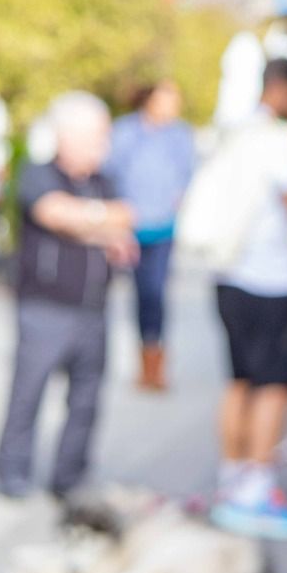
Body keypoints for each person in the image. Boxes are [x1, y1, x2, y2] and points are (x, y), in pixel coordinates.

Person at [0, 92, 137, 502]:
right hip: (46, 305)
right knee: (29, 391)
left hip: (94, 306)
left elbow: (127, 216)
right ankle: (12, 470)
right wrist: (99, 221)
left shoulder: (102, 180)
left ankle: (69, 476)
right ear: (68, 136)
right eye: (96, 136)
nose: (103, 145)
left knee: (87, 399)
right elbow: (54, 213)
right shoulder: (38, 173)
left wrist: (88, 221)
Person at [207, 58, 287, 541]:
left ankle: (233, 479)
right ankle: (256, 488)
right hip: (270, 279)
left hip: (229, 273)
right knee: (274, 384)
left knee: (240, 379)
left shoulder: (235, 132)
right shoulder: (278, 140)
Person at [107, 80, 195, 392]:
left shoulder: (180, 135)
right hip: (131, 225)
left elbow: (189, 174)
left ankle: (156, 366)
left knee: (156, 294)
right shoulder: (126, 132)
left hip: (164, 226)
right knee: (140, 294)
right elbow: (111, 172)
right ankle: (143, 362)